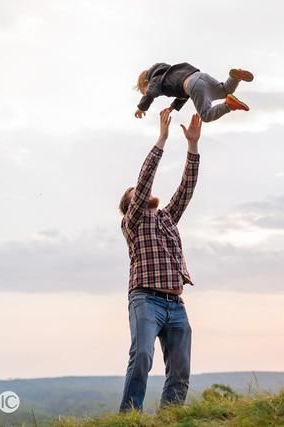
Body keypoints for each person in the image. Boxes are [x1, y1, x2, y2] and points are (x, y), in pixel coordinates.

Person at [118, 108, 202, 412]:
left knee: (180, 370)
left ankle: (170, 418)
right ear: (130, 204)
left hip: (175, 303)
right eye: (136, 193)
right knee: (141, 356)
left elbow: (186, 189)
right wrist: (162, 138)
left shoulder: (167, 217)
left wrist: (192, 146)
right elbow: (143, 182)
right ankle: (128, 417)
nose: (144, 191)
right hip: (145, 300)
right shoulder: (134, 221)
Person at [134, 62, 254, 122]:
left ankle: (228, 105)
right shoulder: (169, 73)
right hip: (200, 76)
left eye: (143, 91)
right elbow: (182, 95)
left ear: (146, 82)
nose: (146, 93)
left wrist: (141, 108)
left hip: (193, 85)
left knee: (206, 115)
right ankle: (236, 77)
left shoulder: (155, 80)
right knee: (225, 91)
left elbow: (150, 94)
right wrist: (172, 108)